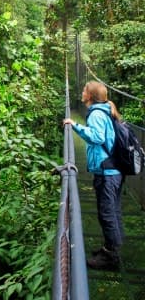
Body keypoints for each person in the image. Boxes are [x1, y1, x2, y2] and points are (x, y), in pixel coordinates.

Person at [63, 80, 124, 270]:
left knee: (107, 213)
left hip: (107, 172)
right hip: (112, 170)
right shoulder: (104, 110)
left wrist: (75, 125)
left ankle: (111, 257)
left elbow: (97, 137)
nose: (81, 92)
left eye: (84, 90)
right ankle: (110, 248)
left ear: (90, 95)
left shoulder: (97, 113)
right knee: (112, 211)